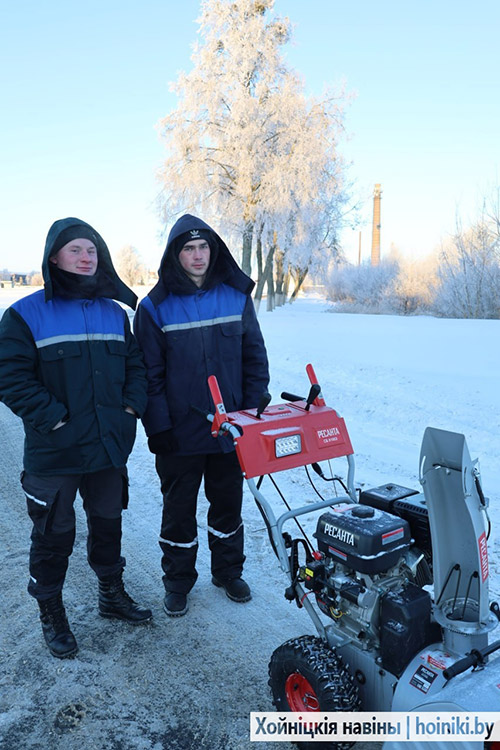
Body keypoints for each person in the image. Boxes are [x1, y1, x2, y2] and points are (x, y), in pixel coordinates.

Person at [0, 217, 152, 659]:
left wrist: (130, 409)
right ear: (53, 258)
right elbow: (10, 377)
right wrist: (54, 419)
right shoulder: (25, 315)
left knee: (108, 524)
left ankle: (111, 594)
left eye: (92, 250)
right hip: (56, 450)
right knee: (53, 535)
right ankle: (51, 610)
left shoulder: (114, 313)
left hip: (107, 447)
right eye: (76, 250)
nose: (87, 258)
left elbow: (136, 366)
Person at [134, 214, 269, 617]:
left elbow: (254, 358)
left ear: (214, 251)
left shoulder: (236, 298)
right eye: (189, 249)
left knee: (227, 504)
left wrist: (251, 413)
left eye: (204, 247)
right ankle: (177, 582)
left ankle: (228, 572)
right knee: (178, 511)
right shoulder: (154, 308)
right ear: (175, 255)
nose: (198, 255)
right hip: (179, 434)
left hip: (230, 430)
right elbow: (148, 375)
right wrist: (158, 427)